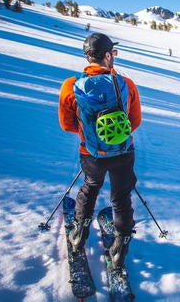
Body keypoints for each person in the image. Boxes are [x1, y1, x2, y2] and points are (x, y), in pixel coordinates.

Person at [58, 33, 142, 269]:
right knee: (122, 198)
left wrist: (91, 137)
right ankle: (119, 249)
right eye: (113, 53)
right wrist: (115, 137)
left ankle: (79, 234)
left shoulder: (71, 86)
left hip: (92, 153)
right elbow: (134, 121)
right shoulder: (126, 84)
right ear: (106, 55)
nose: (113, 57)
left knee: (90, 187)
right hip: (124, 152)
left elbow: (67, 125)